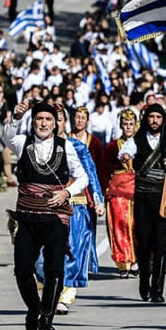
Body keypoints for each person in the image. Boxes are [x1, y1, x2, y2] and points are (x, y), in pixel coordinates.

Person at [3, 100, 89, 330]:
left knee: (54, 269)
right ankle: (33, 309)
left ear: (55, 124)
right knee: (22, 269)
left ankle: (47, 319)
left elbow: (82, 177)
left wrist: (66, 192)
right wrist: (16, 116)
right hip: (28, 217)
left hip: (55, 217)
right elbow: (7, 136)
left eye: (48, 120)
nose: (43, 123)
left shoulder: (66, 146)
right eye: (39, 119)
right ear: (33, 122)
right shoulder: (24, 143)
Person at [118, 103, 166, 303]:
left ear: (163, 120)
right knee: (144, 243)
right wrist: (124, 156)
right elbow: (125, 152)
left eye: (158, 117)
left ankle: (157, 289)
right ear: (146, 119)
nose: (155, 121)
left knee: (161, 245)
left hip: (165, 197)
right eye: (151, 117)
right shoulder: (137, 140)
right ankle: (144, 282)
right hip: (142, 197)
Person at [57, 103, 105, 315]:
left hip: (75, 205)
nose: (51, 124)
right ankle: (48, 289)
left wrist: (98, 200)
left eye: (57, 119)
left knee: (72, 249)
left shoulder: (77, 147)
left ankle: (65, 295)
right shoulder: (35, 147)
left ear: (63, 122)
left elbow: (91, 174)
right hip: (47, 206)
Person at [104, 109, 139, 278]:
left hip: (137, 190)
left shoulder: (141, 144)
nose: (128, 127)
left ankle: (136, 259)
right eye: (125, 124)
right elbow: (104, 169)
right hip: (118, 191)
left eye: (131, 124)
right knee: (119, 225)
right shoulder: (112, 147)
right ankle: (123, 262)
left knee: (137, 226)